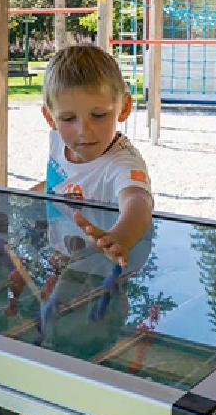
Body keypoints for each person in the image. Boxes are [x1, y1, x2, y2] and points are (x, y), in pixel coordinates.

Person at [33, 44, 154, 268]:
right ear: (50, 118)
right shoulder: (58, 139)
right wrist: (26, 198)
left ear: (124, 107)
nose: (83, 131)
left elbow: (139, 201)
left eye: (98, 115)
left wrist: (122, 237)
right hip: (62, 256)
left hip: (102, 266)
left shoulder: (123, 164)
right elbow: (64, 183)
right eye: (68, 118)